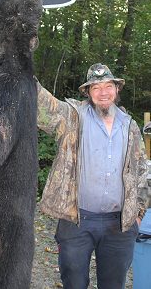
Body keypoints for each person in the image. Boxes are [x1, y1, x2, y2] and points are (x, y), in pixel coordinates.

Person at [37, 63, 148, 289]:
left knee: (113, 285)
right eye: (96, 88)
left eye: (108, 86)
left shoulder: (129, 126)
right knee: (74, 283)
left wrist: (138, 214)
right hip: (77, 221)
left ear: (117, 90)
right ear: (88, 93)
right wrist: (17, 64)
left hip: (119, 225)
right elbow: (42, 106)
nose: (103, 92)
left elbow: (142, 171)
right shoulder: (72, 119)